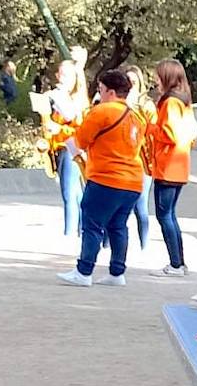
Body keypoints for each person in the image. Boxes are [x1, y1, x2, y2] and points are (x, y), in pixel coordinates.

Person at [57, 69, 146, 287]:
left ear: (111, 92)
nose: (99, 93)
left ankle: (84, 271)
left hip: (106, 177)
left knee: (93, 224)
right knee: (118, 226)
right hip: (133, 180)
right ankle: (117, 272)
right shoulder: (137, 116)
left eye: (101, 89)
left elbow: (80, 141)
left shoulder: (102, 111)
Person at [147, 58, 197, 277]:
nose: (156, 81)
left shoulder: (170, 103)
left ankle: (175, 264)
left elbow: (171, 134)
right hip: (179, 164)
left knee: (165, 216)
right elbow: (193, 133)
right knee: (170, 215)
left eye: (159, 77)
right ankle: (179, 262)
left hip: (167, 165)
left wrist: (151, 128)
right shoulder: (184, 101)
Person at [42, 59, 85, 237]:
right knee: (75, 193)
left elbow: (80, 128)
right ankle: (82, 230)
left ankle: (70, 234)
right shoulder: (54, 96)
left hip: (69, 147)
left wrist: (59, 128)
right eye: (61, 74)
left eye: (67, 75)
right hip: (58, 147)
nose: (62, 78)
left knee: (69, 193)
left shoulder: (77, 100)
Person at [124, 65, 156, 249]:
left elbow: (153, 131)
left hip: (142, 160)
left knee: (140, 205)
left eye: (134, 82)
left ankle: (144, 245)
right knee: (119, 206)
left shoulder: (146, 105)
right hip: (122, 160)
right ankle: (110, 245)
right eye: (127, 82)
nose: (130, 85)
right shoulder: (118, 103)